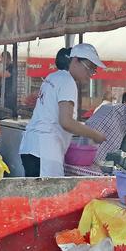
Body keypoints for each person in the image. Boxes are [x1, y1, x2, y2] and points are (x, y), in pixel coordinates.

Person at [19, 43, 106, 178]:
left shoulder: (52, 77)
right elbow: (66, 122)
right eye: (89, 68)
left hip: (31, 147)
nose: (90, 74)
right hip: (46, 150)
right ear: (75, 60)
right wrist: (94, 135)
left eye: (93, 71)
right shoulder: (67, 81)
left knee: (35, 197)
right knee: (48, 197)